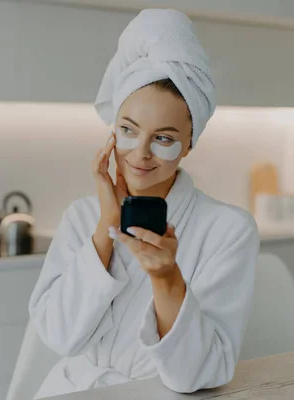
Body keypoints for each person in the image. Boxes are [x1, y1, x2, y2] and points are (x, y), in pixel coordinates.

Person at [28, 9, 260, 399]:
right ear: (112, 130)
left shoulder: (228, 230)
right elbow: (58, 336)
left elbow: (198, 374)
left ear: (189, 144)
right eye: (128, 130)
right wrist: (106, 225)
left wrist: (166, 277)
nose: (140, 153)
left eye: (164, 138)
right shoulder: (82, 217)